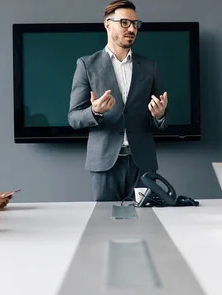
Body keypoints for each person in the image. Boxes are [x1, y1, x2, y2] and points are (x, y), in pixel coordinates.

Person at [68, 0, 168, 201]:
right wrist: (95, 111)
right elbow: (74, 118)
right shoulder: (87, 65)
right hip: (104, 164)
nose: (131, 28)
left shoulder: (150, 67)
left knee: (146, 225)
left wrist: (160, 116)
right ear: (107, 24)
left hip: (142, 164)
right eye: (124, 22)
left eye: (135, 24)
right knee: (104, 226)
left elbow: (160, 121)